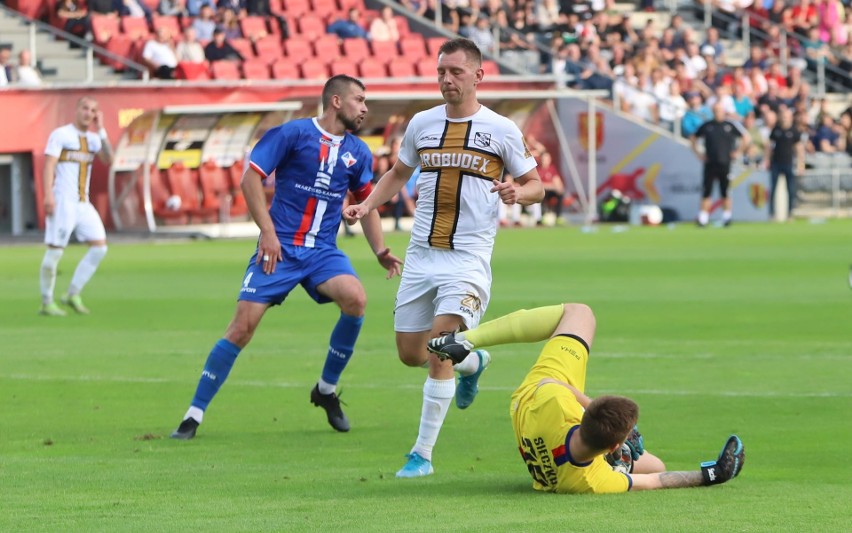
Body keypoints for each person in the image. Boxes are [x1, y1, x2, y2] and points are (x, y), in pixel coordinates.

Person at [343, 38, 543, 478]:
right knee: (409, 354)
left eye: (455, 71)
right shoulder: (422, 124)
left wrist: (518, 192)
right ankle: (473, 361)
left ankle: (422, 455)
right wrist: (367, 205)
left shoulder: (501, 129)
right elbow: (399, 173)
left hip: (467, 260)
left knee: (437, 350)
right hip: (421, 257)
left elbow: (537, 186)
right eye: (441, 72)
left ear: (477, 76)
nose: (446, 80)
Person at [170, 75, 402, 440]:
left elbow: (366, 203)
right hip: (280, 249)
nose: (365, 108)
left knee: (356, 299)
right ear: (336, 102)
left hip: (323, 251)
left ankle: (326, 390)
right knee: (242, 328)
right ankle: (193, 415)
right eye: (359, 100)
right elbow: (251, 179)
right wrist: (267, 232)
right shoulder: (292, 134)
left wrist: (380, 251)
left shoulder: (358, 152)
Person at [427, 302, 746, 493]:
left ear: (584, 414)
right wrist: (709, 476)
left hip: (534, 399)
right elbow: (656, 481)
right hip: (542, 440)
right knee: (654, 464)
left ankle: (466, 341)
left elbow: (557, 385)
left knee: (578, 313)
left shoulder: (557, 405)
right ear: (610, 446)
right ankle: (620, 465)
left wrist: (591, 405)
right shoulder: (591, 481)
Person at [39, 97, 115, 316]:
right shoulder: (61, 135)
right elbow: (49, 165)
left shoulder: (93, 139)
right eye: (85, 108)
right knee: (55, 252)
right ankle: (46, 301)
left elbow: (108, 159)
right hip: (63, 201)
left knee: (100, 247)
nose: (87, 113)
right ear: (77, 109)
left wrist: (101, 130)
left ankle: (72, 293)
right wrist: (48, 196)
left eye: (92, 110)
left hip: (83, 203)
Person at [690, 102, 750, 227]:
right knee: (707, 190)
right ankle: (703, 217)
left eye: (720, 110)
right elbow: (693, 138)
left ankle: (726, 217)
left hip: (725, 163)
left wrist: (738, 152)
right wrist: (698, 154)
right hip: (710, 162)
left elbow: (745, 137)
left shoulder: (730, 125)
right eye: (716, 110)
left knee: (725, 191)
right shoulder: (707, 125)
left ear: (723, 111)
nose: (718, 113)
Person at [765, 108, 804, 221]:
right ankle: (772, 214)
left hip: (788, 163)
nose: (785, 118)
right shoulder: (776, 130)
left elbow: (799, 148)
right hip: (776, 163)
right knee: (773, 189)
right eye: (783, 116)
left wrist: (800, 164)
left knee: (790, 189)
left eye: (787, 116)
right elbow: (769, 146)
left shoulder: (794, 131)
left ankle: (790, 213)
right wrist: (767, 160)